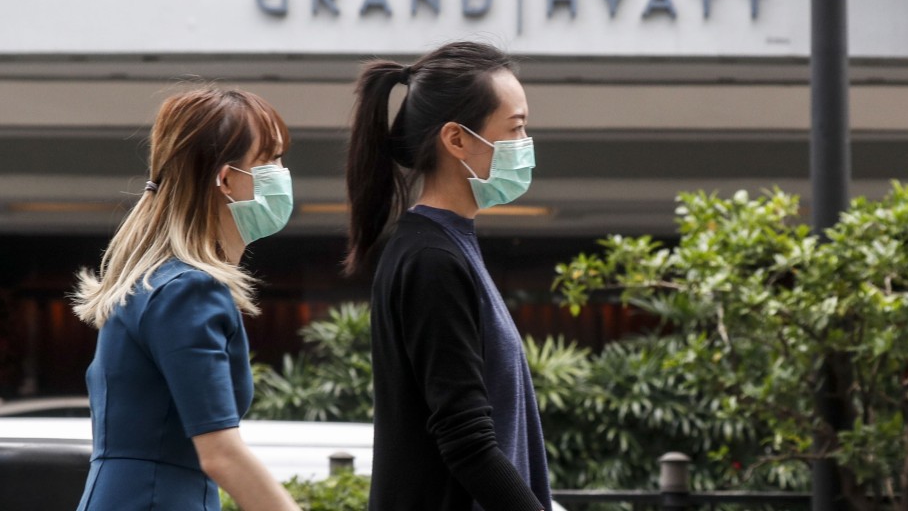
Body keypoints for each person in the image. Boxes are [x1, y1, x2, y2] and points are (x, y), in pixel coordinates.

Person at [71, 86, 300, 511]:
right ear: (227, 179)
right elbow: (221, 453)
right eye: (269, 159)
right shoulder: (188, 291)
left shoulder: (158, 282)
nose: (282, 173)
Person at [345, 41, 551, 511]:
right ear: (456, 139)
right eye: (515, 128)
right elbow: (466, 440)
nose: (525, 146)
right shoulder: (431, 259)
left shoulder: (445, 247)